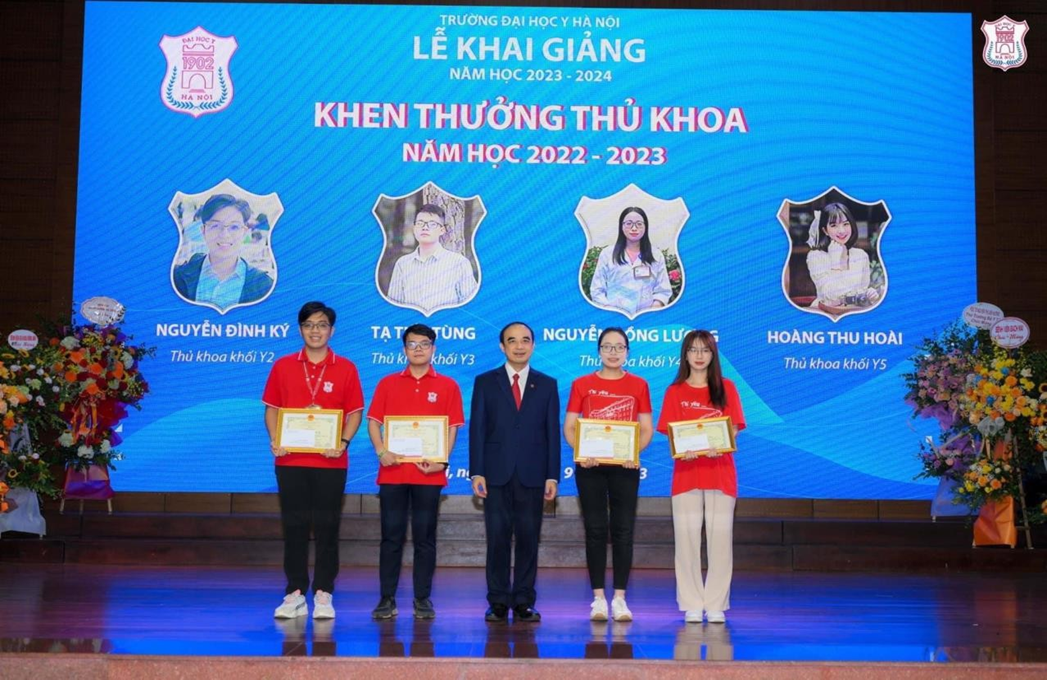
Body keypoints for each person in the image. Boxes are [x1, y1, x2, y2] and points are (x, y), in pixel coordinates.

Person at [263, 301, 364, 620]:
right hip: (291, 461)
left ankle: (323, 592)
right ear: (300, 329)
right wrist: (276, 439)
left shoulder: (346, 367)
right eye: (309, 325)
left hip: (331, 462)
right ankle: (294, 591)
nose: (315, 330)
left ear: (331, 330)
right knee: (292, 526)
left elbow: (354, 413)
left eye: (321, 325)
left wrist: (343, 442)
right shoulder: (283, 366)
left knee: (327, 526)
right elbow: (272, 410)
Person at [366, 324, 465, 621]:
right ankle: (387, 598)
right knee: (391, 538)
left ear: (434, 348)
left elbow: (451, 429)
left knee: (425, 539)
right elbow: (373, 422)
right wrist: (382, 451)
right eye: (412, 344)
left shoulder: (448, 385)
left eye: (424, 344)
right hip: (393, 474)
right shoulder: (387, 383)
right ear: (404, 349)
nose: (418, 349)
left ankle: (422, 598)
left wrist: (442, 461)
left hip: (428, 475)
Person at [469, 321, 560, 623]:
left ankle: (523, 600)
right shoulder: (485, 382)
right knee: (496, 539)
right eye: (512, 341)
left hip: (533, 474)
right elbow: (478, 429)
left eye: (525, 340)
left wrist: (552, 475)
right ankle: (497, 601)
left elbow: (551, 433)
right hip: (495, 474)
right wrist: (476, 471)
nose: (519, 346)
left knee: (528, 538)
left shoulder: (547, 384)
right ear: (502, 346)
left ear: (533, 345)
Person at [563, 327, 653, 622]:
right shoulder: (581, 384)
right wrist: (581, 452)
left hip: (625, 468)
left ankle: (621, 599)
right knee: (596, 529)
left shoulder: (639, 384)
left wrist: (633, 454)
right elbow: (570, 428)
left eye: (619, 347)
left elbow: (646, 428)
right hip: (590, 467)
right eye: (607, 347)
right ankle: (599, 598)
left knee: (623, 530)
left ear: (628, 352)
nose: (613, 352)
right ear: (598, 351)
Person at [656, 330, 745, 625]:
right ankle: (692, 603)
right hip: (686, 474)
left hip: (721, 475)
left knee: (720, 541)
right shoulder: (675, 391)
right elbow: (672, 436)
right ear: (685, 355)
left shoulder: (727, 388)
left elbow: (732, 431)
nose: (698, 356)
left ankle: (716, 603)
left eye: (704, 350)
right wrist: (685, 449)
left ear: (713, 355)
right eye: (693, 350)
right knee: (687, 542)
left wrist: (718, 444)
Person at [173, 194, 274, 311]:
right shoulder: (178, 277)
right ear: (203, 231)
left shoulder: (263, 285)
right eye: (215, 225)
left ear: (245, 232)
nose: (224, 234)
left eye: (234, 227)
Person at [386, 204, 477, 312]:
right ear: (414, 228)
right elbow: (393, 306)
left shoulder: (459, 263)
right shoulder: (402, 263)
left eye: (432, 224)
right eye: (420, 223)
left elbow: (472, 307)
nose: (425, 227)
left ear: (442, 230)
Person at [589, 207, 673, 316]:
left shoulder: (656, 255)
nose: (634, 228)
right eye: (629, 223)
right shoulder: (607, 254)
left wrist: (651, 312)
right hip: (614, 319)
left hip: (647, 323)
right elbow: (597, 289)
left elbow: (663, 290)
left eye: (639, 224)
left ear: (645, 227)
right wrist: (610, 311)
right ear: (621, 226)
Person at [805, 202, 880, 308]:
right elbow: (830, 296)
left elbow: (860, 293)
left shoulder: (861, 255)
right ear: (825, 230)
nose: (842, 230)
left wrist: (869, 293)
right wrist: (836, 262)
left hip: (853, 313)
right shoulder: (816, 256)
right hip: (827, 313)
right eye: (834, 225)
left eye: (846, 224)